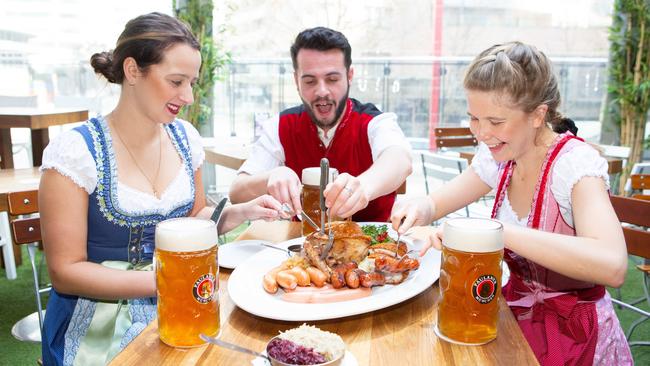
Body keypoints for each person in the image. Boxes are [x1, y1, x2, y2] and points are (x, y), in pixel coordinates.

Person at [38, 12, 283, 365]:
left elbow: (195, 218)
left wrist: (236, 213)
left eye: (192, 83)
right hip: (100, 323)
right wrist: (167, 279)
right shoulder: (75, 152)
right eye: (176, 81)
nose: (188, 96)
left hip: (186, 302)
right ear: (133, 70)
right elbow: (65, 271)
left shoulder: (185, 139)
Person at [391, 42, 632, 365]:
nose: (481, 133)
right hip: (515, 319)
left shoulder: (574, 166)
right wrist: (420, 207)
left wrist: (499, 233)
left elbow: (613, 264)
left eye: (495, 121)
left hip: (575, 336)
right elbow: (437, 203)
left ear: (537, 115)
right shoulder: (500, 157)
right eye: (474, 118)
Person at [229, 27, 412, 222]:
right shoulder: (280, 126)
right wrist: (271, 177)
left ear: (350, 76)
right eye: (309, 81)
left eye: (332, 79)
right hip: (302, 245)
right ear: (296, 81)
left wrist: (363, 186)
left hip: (374, 248)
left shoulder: (374, 122)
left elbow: (400, 160)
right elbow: (236, 193)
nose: (322, 92)